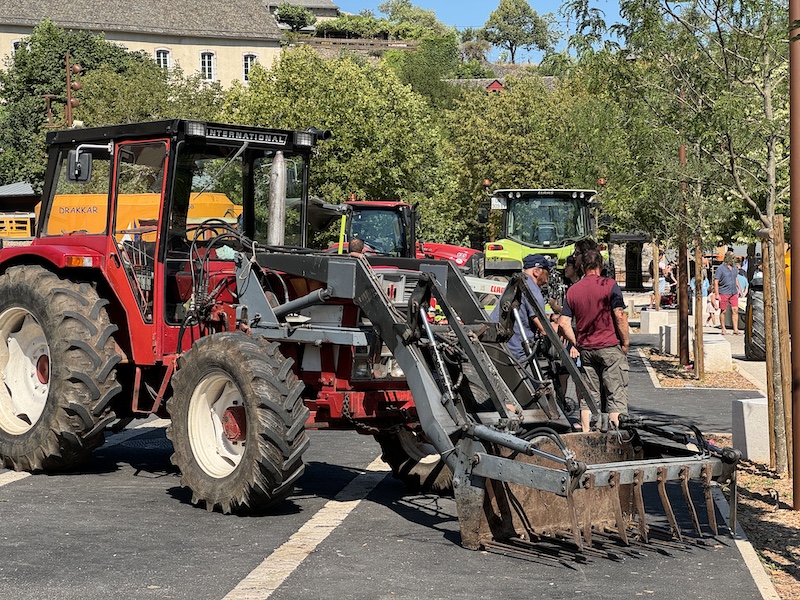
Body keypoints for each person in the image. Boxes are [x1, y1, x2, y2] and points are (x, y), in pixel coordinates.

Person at [558, 249, 629, 432]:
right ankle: (616, 439)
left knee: (588, 398)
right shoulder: (610, 285)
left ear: (582, 267)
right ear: (601, 266)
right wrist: (625, 342)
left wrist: (577, 341)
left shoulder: (573, 291)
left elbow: (564, 323)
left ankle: (587, 434)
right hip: (609, 346)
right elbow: (619, 315)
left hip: (587, 350)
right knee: (615, 396)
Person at [491, 253, 555, 361]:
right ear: (536, 271)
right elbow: (544, 328)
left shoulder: (516, 283)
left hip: (499, 345)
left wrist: (552, 318)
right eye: (546, 269)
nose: (548, 273)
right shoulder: (531, 289)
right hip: (517, 350)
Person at [713, 254, 741, 334]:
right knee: (723, 311)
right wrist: (717, 294)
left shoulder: (734, 268)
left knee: (735, 310)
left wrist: (739, 288)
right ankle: (723, 328)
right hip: (724, 292)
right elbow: (716, 281)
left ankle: (735, 329)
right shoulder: (720, 269)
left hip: (733, 292)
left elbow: (735, 278)